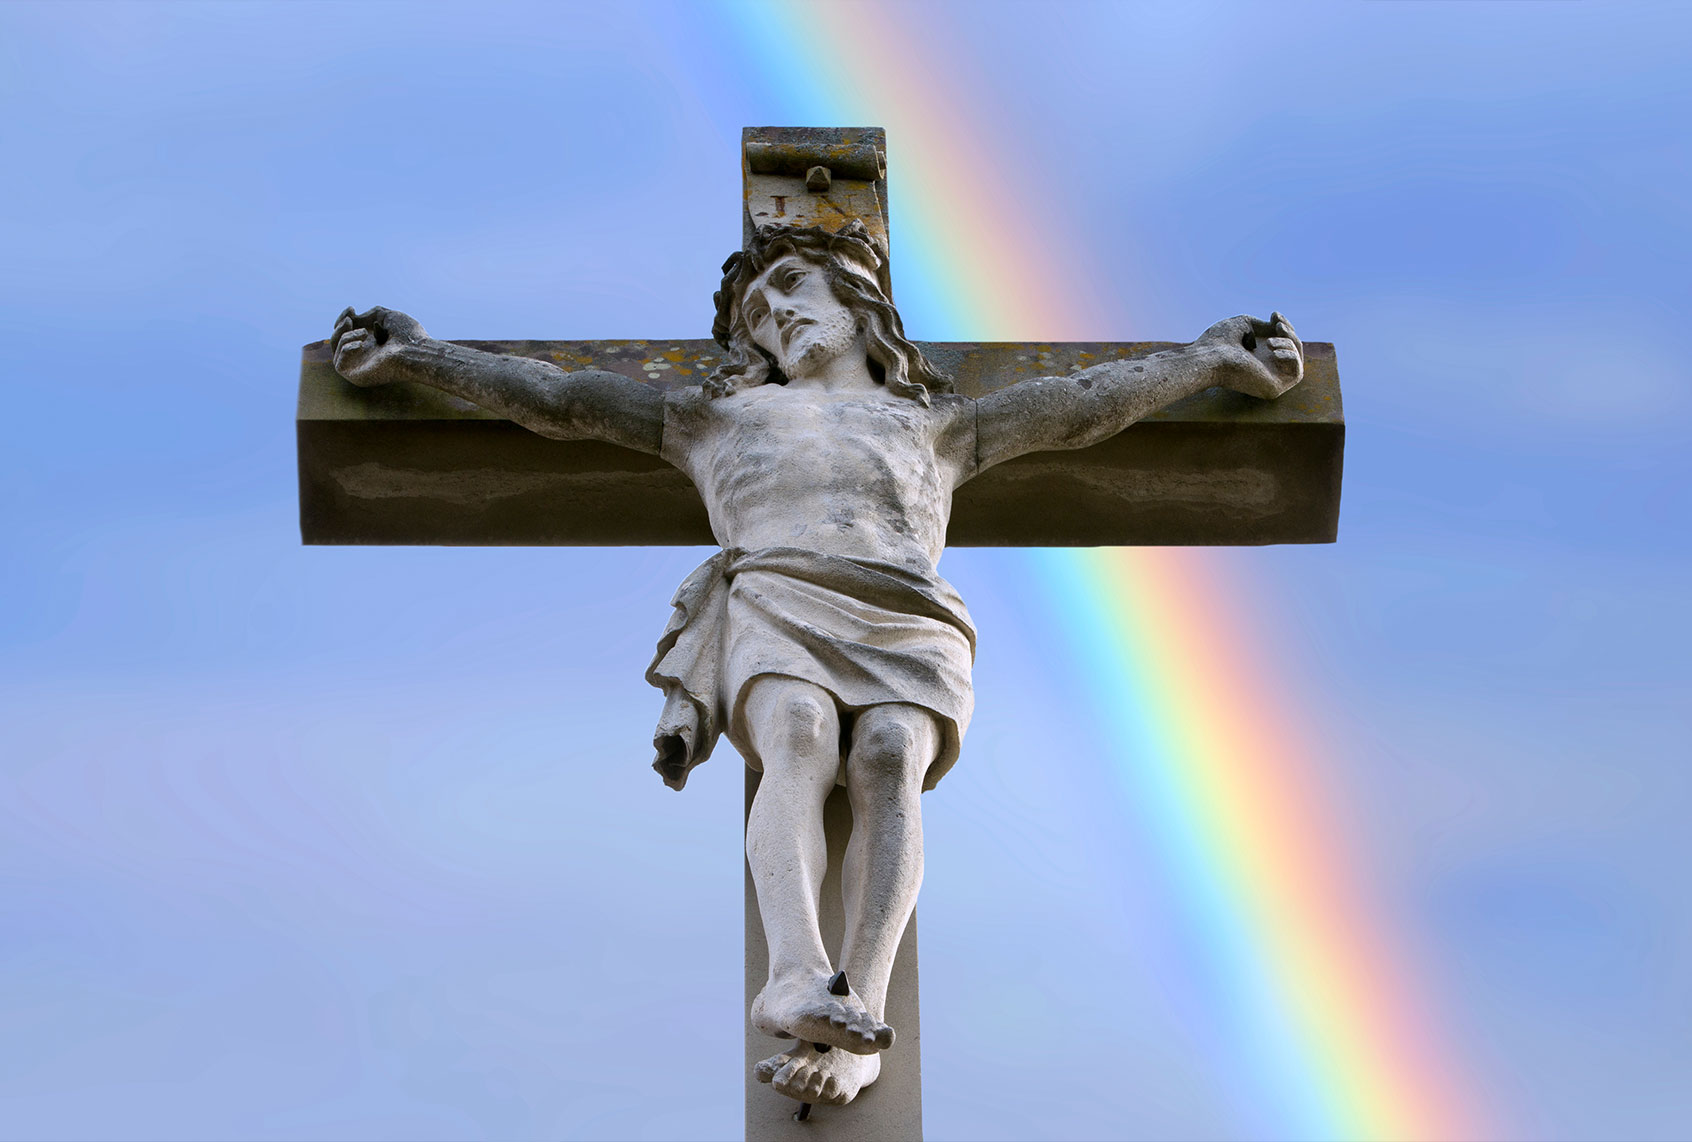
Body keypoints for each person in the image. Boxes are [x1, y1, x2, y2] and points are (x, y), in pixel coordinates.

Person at [328, 220, 1303, 1108]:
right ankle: (794, 968)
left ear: (857, 298)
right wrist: (419, 355)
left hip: (904, 609)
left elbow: (1085, 403)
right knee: (795, 734)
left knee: (886, 754)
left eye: (792, 287)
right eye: (756, 310)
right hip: (780, 592)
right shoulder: (712, 421)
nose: (776, 313)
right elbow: (562, 399)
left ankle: (861, 1015)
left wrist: (1207, 360)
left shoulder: (937, 423)